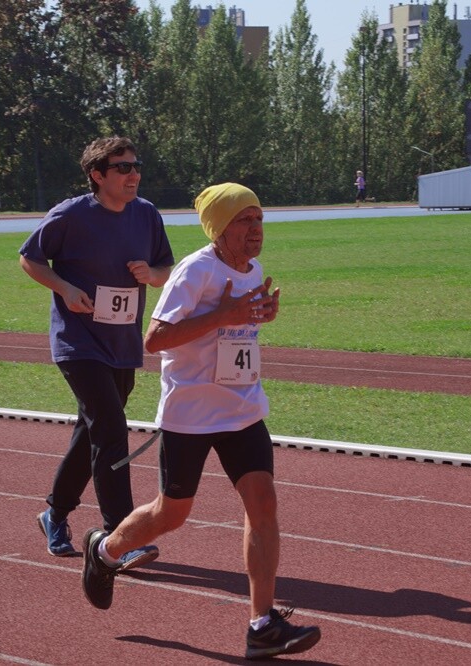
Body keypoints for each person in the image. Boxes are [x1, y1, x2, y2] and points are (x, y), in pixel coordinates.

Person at [79, 183, 321, 660]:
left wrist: (257, 316)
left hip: (242, 406)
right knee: (172, 514)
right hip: (191, 411)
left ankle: (262, 625)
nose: (256, 230)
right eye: (245, 220)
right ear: (219, 226)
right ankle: (104, 551)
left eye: (259, 219)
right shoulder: (194, 271)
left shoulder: (252, 269)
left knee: (263, 502)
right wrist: (224, 314)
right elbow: (155, 339)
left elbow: (237, 327)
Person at [18, 136, 174, 570]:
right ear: (98, 175)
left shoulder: (145, 214)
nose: (133, 174)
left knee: (91, 434)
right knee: (110, 429)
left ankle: (56, 513)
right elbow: (30, 258)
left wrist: (153, 274)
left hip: (122, 344)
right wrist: (66, 288)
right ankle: (121, 536)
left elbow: (165, 268)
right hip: (78, 342)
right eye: (123, 168)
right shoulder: (71, 215)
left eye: (136, 166)